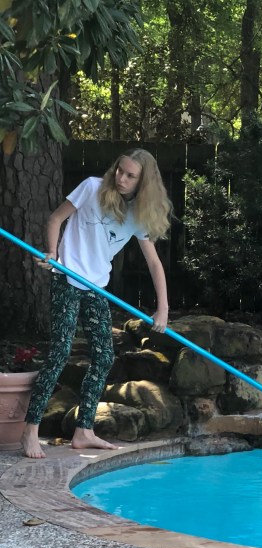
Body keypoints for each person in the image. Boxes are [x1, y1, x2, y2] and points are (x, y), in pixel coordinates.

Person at [21, 149, 172, 459]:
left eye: (130, 176)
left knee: (103, 357)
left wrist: (163, 309)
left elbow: (155, 264)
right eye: (120, 170)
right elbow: (56, 218)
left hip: (96, 287)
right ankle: (30, 431)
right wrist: (52, 253)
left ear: (143, 183)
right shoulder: (91, 188)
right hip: (67, 278)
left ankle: (84, 431)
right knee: (61, 351)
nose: (121, 178)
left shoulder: (138, 215)